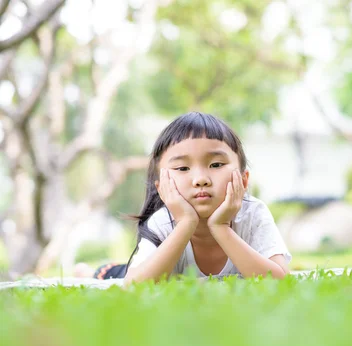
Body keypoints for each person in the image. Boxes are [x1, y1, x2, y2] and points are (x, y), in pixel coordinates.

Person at [80, 112, 291, 284]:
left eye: (216, 165)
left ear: (244, 180)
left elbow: (280, 281)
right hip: (129, 270)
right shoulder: (164, 221)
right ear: (162, 187)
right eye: (182, 168)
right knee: (111, 274)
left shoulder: (253, 214)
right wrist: (186, 223)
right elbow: (135, 286)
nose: (200, 179)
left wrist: (221, 227)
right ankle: (85, 272)